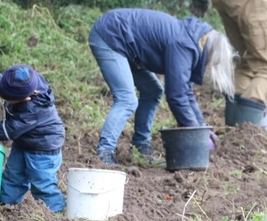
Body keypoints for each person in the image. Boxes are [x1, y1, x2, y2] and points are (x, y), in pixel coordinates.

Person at [89, 9, 236, 165]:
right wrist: (195, 134)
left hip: (128, 46)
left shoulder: (192, 42)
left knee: (153, 91)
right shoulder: (185, 45)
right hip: (110, 36)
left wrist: (202, 128)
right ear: (211, 53)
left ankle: (140, 144)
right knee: (127, 99)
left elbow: (186, 92)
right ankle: (104, 152)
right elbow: (176, 95)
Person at [0, 65, 66, 213]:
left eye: (9, 100)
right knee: (13, 175)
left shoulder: (33, 108)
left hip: (44, 147)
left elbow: (11, 128)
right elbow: (12, 79)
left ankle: (56, 211)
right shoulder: (28, 78)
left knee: (42, 183)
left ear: (26, 98)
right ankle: (5, 205)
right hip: (24, 142)